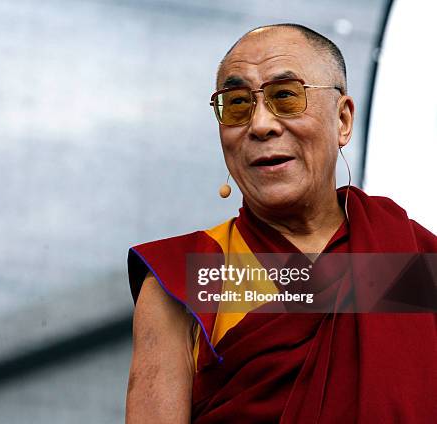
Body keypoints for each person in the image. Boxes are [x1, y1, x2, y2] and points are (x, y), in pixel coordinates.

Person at [125, 23, 437, 423]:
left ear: (342, 120)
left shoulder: (409, 262)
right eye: (237, 104)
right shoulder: (192, 272)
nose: (260, 126)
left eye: (285, 96)